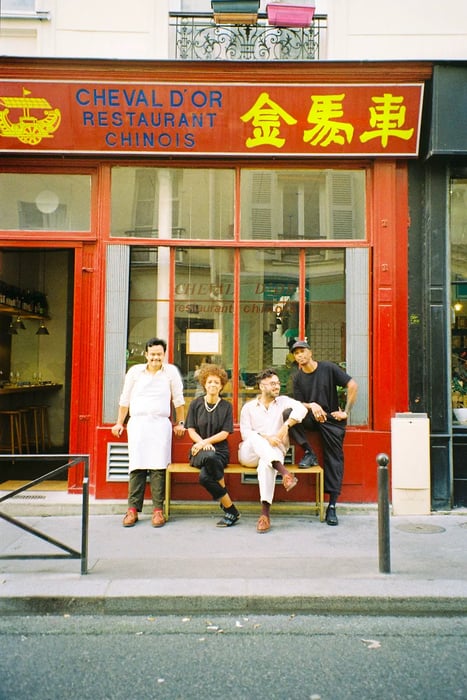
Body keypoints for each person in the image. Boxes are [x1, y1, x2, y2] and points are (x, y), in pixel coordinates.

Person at [111, 337, 185, 528]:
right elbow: (125, 399)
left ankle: (158, 510)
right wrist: (120, 422)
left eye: (159, 354)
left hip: (160, 424)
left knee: (159, 468)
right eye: (152, 354)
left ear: (164, 354)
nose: (155, 358)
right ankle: (132, 510)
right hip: (138, 424)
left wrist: (180, 423)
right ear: (146, 354)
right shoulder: (135, 372)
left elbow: (178, 399)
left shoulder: (171, 372)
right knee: (137, 466)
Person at [288, 340, 358, 526]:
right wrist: (312, 405)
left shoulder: (327, 368)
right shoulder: (297, 377)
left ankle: (332, 506)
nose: (300, 356)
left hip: (331, 419)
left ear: (310, 352)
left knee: (334, 459)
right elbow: (297, 404)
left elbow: (352, 385)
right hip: (312, 417)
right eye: (296, 354)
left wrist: (346, 412)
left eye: (302, 351)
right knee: (289, 414)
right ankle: (309, 452)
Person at [238, 368, 308, 533]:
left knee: (265, 465)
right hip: (249, 453)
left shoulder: (283, 401)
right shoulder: (249, 407)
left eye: (278, 383)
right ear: (262, 387)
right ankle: (285, 473)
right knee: (256, 437)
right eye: (272, 384)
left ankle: (265, 515)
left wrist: (286, 425)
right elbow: (245, 433)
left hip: (273, 453)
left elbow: (302, 410)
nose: (277, 386)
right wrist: (266, 437)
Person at [186, 364, 240, 527]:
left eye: (216, 382)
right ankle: (231, 509)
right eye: (209, 382)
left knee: (204, 478)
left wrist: (206, 442)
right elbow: (191, 429)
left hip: (220, 450)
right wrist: (201, 444)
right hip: (198, 451)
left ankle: (230, 510)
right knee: (209, 456)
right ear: (204, 384)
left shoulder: (226, 406)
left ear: (222, 386)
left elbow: (225, 433)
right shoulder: (195, 404)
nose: (213, 385)